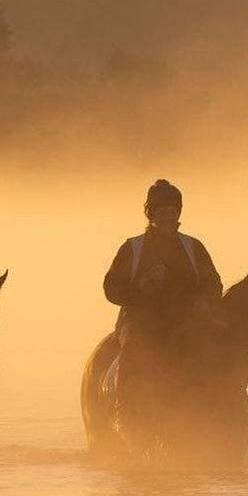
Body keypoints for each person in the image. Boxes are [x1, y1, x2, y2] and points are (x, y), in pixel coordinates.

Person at [103, 179, 222, 443]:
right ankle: (128, 414)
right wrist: (142, 288)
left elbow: (213, 283)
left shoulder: (193, 247)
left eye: (173, 211)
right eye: (162, 211)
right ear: (151, 213)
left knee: (216, 351)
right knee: (137, 348)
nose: (169, 217)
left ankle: (226, 411)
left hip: (186, 321)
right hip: (141, 321)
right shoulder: (132, 248)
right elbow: (111, 289)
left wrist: (204, 302)